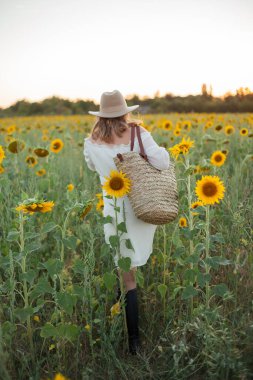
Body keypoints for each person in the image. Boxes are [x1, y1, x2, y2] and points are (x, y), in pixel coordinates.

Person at [83, 90, 170, 355]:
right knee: (129, 269)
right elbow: (163, 162)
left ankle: (125, 331)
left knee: (124, 268)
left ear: (101, 114)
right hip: (140, 208)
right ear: (124, 112)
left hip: (114, 212)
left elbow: (91, 166)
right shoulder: (138, 134)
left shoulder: (90, 142)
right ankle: (134, 344)